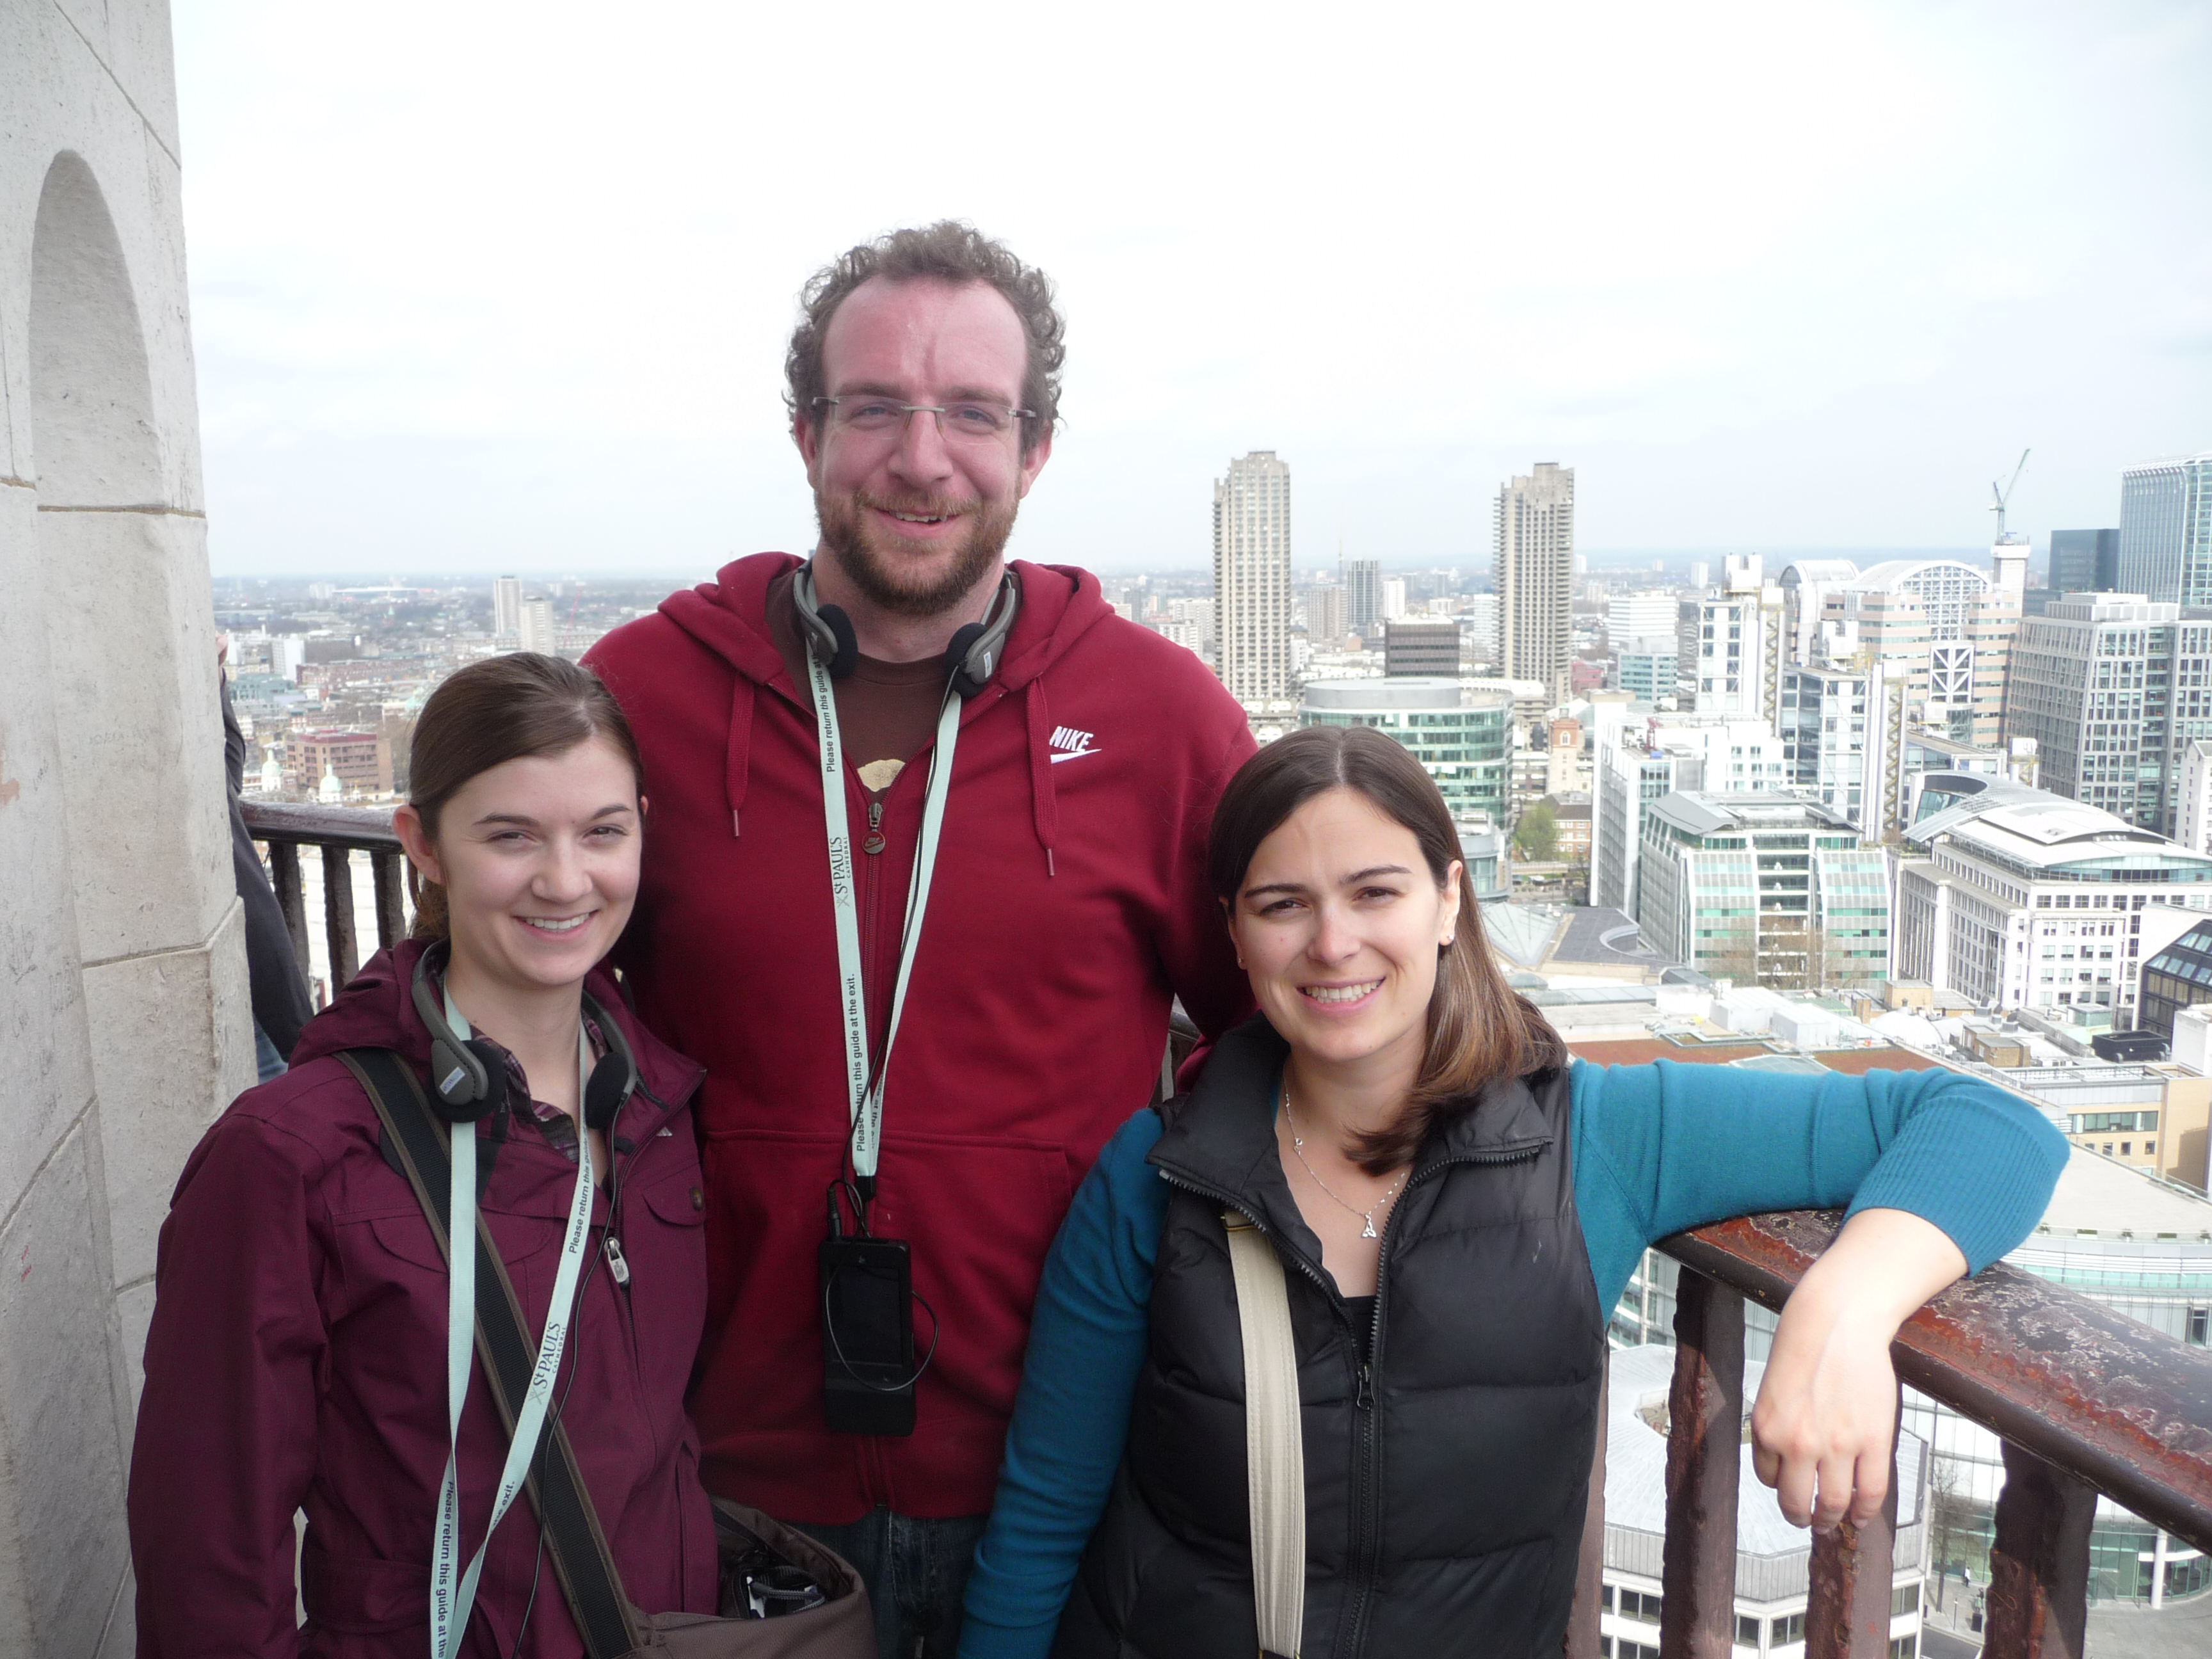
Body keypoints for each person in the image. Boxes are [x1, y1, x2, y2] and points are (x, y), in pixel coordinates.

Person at [957, 725, 2071, 1659]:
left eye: (1374, 891)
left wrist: (1842, 1310)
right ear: (1236, 935)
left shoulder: (1596, 1135)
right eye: (1284, 903)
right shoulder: (1154, 1177)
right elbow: (1046, 1513)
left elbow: (1989, 1124)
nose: (1333, 942)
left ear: (1448, 901)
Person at [583, 222, 1255, 1658]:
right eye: (877, 405)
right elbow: (504, 978)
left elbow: (1293, 1046)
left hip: (1066, 1478)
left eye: (971, 413)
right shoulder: (640, 695)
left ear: (1037, 448)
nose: (922, 456)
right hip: (721, 1485)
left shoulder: (1159, 715)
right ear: (808, 432)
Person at [130, 653, 720, 1655]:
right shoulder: (290, 1156)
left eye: (602, 833)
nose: (566, 879)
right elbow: (214, 1552)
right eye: (511, 836)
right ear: (424, 844)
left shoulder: (658, 1105)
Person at [219, 646, 312, 1078]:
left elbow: (229, 758)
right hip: (253, 981)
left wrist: (215, 681)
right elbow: (229, 757)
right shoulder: (205, 797)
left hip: (246, 984)